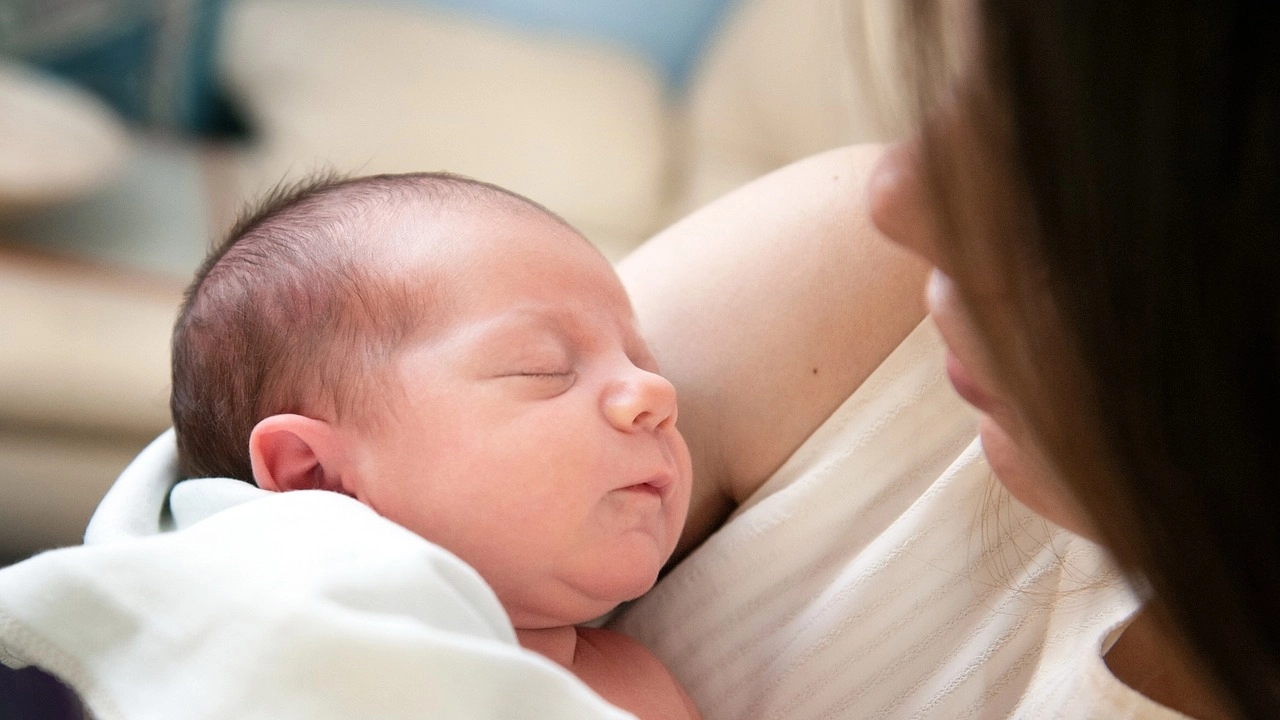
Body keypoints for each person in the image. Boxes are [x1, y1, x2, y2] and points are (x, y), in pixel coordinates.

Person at [0, 1, 1274, 718]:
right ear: (316, 483)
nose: (899, 192)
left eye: (1052, 156)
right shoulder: (866, 299)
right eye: (543, 370)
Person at [169, 171, 699, 720]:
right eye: (544, 368)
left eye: (643, 363)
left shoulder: (641, 683)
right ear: (316, 477)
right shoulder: (293, 674)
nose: (655, 393)